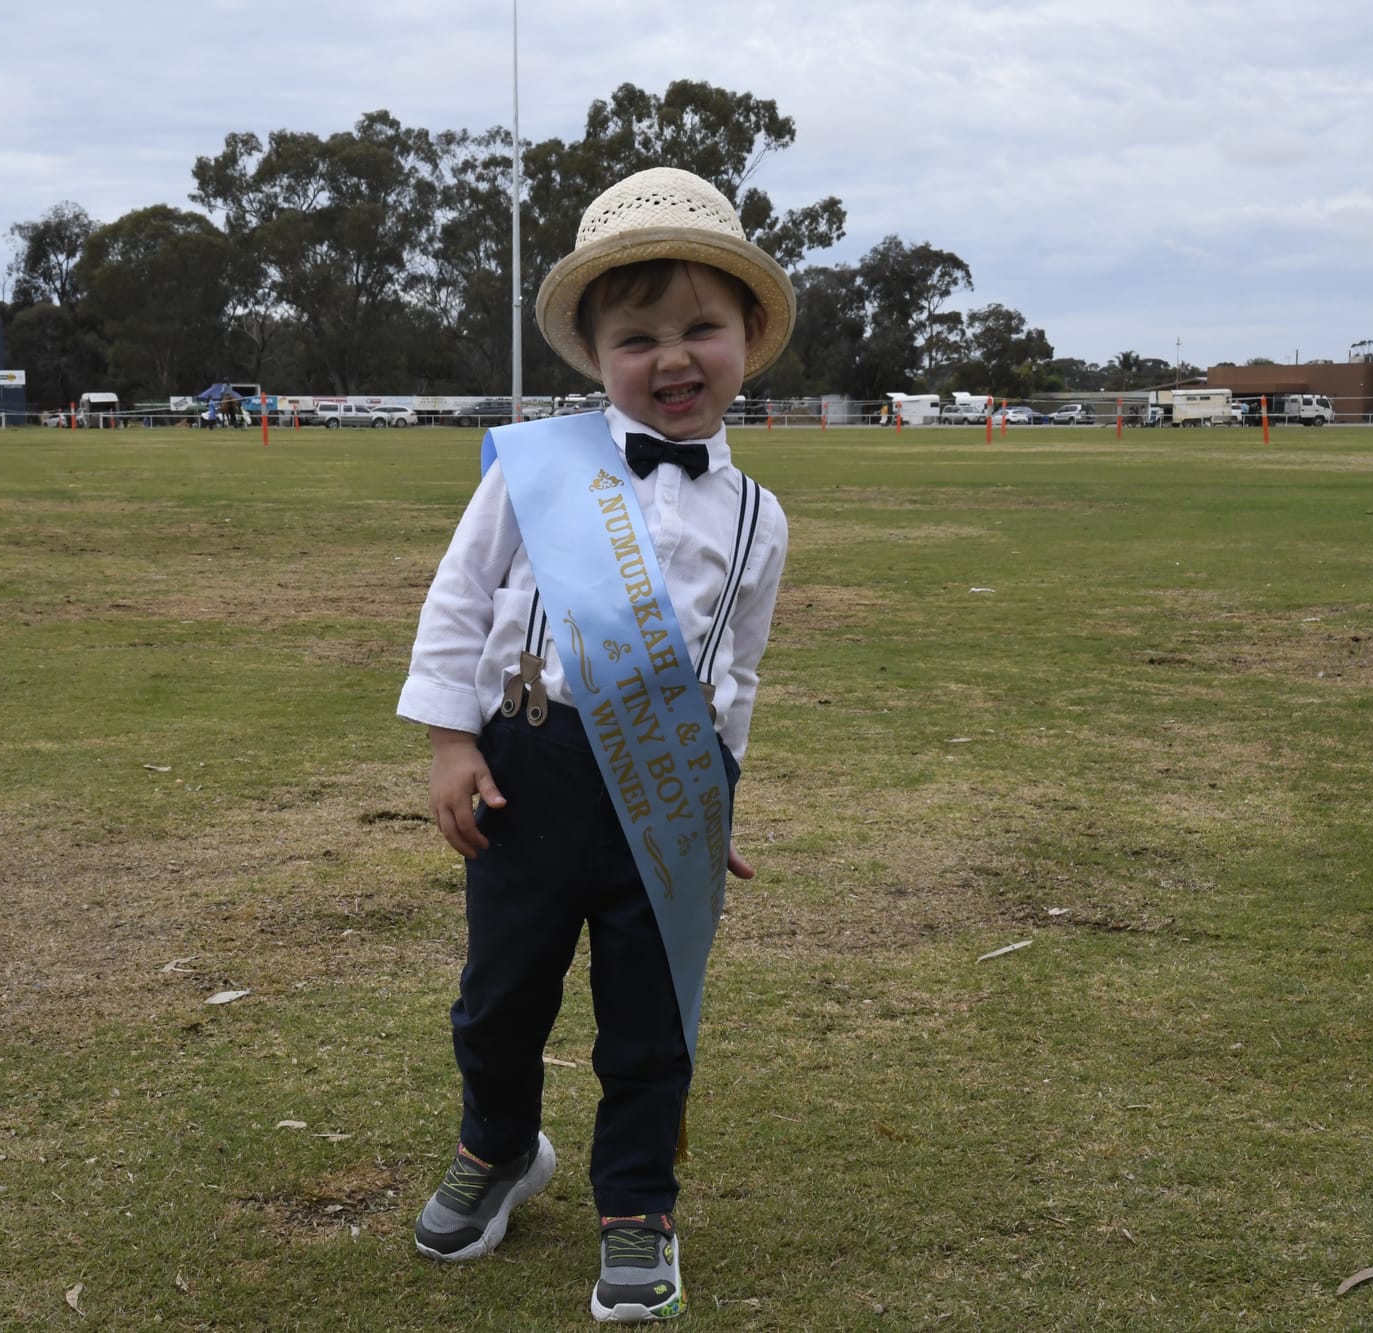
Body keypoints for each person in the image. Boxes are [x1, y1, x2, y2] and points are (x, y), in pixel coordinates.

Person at [397, 167, 794, 1324]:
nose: (671, 358)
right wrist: (446, 743)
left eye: (699, 330)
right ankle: (499, 1148)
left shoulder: (761, 515)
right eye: (637, 338)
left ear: (747, 337)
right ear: (592, 353)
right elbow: (458, 603)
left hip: (667, 797)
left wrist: (713, 797)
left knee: (647, 1014)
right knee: (498, 995)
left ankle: (636, 1205)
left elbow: (737, 668)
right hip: (526, 774)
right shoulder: (535, 467)